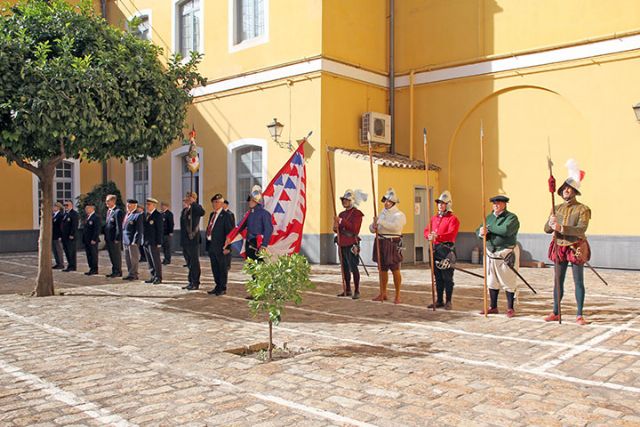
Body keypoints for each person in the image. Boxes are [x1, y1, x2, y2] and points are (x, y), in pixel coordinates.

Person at [544, 160, 591, 325]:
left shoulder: (583, 209)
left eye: (568, 188)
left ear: (574, 191)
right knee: (558, 281)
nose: (565, 191)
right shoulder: (556, 208)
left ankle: (579, 314)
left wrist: (561, 227)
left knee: (578, 281)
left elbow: (581, 229)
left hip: (576, 247)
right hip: (559, 247)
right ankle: (555, 312)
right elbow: (546, 229)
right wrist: (551, 224)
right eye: (563, 189)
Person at [476, 195, 520, 317]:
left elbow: (505, 230)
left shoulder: (511, 218)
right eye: (494, 203)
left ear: (505, 204)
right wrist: (481, 232)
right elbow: (478, 230)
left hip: (505, 253)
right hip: (491, 253)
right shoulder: (488, 218)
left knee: (508, 280)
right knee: (491, 281)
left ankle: (510, 307)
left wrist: (489, 229)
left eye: (499, 203)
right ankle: (493, 306)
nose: (496, 205)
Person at [424, 191, 460, 310]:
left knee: (447, 277)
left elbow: (451, 234)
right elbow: (426, 230)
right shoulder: (434, 218)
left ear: (448, 204)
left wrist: (438, 236)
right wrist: (428, 235)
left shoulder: (453, 219)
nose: (440, 205)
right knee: (437, 277)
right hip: (435, 249)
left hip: (446, 250)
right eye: (439, 203)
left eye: (443, 203)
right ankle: (439, 300)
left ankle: (448, 300)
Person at [370, 188, 406, 304]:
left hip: (392, 242)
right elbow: (372, 229)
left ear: (393, 203)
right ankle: (383, 292)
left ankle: (398, 295)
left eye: (388, 201)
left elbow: (396, 227)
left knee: (395, 269)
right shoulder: (381, 213)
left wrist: (381, 222)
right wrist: (373, 225)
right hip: (380, 241)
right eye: (385, 200)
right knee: (382, 269)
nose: (386, 203)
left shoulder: (399, 215)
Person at [334, 189, 366, 299]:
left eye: (346, 200)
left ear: (351, 201)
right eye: (343, 200)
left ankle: (356, 290)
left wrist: (341, 221)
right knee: (344, 268)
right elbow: (337, 229)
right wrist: (336, 226)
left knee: (353, 267)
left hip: (352, 242)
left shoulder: (357, 214)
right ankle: (347, 289)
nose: (344, 202)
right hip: (342, 242)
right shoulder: (341, 214)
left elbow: (354, 228)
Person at [205, 194, 234, 296]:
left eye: (217, 202)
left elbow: (230, 233)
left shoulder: (227, 216)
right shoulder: (212, 215)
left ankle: (222, 288)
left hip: (221, 246)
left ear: (222, 203)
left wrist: (228, 247)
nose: (215, 204)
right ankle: (217, 286)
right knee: (215, 268)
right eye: (213, 202)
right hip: (212, 245)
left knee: (222, 268)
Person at [180, 192, 205, 290]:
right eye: (186, 197)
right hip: (185, 240)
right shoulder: (185, 210)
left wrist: (193, 203)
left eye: (188, 197)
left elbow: (202, 212)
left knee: (194, 262)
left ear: (193, 198)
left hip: (193, 239)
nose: (186, 199)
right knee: (189, 262)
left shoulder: (195, 209)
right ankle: (190, 281)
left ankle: (195, 282)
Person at [142, 198, 164, 284]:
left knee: (156, 260)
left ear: (154, 205)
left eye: (149, 204)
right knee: (150, 261)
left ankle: (158, 277)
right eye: (147, 204)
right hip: (147, 241)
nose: (147, 206)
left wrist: (159, 242)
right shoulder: (146, 215)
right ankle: (153, 276)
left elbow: (160, 230)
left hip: (154, 242)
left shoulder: (157, 215)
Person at [122, 199, 143, 281]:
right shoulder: (127, 214)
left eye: (129, 205)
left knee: (133, 258)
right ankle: (130, 273)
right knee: (127, 258)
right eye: (127, 205)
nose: (127, 206)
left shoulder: (137, 215)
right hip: (125, 240)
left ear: (134, 205)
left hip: (132, 241)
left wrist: (135, 241)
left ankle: (134, 274)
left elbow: (139, 230)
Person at [103, 194, 124, 278]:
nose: (106, 202)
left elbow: (119, 227)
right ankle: (114, 270)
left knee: (116, 255)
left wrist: (117, 238)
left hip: (114, 238)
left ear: (113, 201)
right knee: (112, 255)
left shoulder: (118, 212)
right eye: (106, 201)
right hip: (108, 238)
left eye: (108, 201)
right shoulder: (109, 211)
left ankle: (118, 271)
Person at [83, 202, 101, 275]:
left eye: (87, 208)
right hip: (87, 239)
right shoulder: (88, 217)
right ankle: (91, 268)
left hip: (92, 240)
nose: (86, 210)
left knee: (93, 255)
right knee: (89, 254)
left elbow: (97, 229)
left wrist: (94, 239)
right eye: (86, 208)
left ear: (92, 208)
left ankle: (94, 269)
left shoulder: (96, 217)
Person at [61, 200, 78, 272]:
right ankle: (70, 265)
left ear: (71, 205)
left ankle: (72, 266)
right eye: (64, 205)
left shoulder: (74, 214)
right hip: (64, 236)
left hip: (70, 236)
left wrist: (72, 234)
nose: (65, 206)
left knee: (71, 252)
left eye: (67, 205)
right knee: (67, 251)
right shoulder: (65, 214)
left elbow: (74, 225)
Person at [223, 200, 235, 271]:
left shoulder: (230, 214)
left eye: (223, 204)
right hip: (222, 234)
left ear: (226, 205)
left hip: (228, 234)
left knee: (228, 249)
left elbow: (232, 225)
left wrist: (231, 235)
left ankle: (228, 265)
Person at [52, 202, 64, 269]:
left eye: (55, 206)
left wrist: (60, 236)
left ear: (58, 207)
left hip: (58, 236)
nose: (53, 208)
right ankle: (57, 263)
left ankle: (61, 264)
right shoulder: (53, 215)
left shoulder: (60, 216)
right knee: (55, 250)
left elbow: (61, 227)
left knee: (59, 250)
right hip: (53, 235)